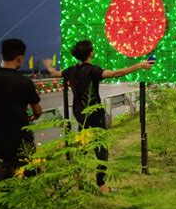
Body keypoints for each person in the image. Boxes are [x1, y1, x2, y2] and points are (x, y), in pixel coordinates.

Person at [43, 40, 154, 192]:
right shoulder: (93, 70)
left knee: (83, 147)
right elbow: (116, 73)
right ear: (90, 53)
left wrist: (48, 65)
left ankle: (77, 180)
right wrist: (139, 65)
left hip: (79, 114)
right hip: (94, 115)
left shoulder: (71, 71)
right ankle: (101, 185)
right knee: (101, 150)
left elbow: (55, 73)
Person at [0, 38, 43, 182]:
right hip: (23, 142)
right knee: (30, 180)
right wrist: (31, 116)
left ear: (2, 56)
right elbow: (37, 110)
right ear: (20, 59)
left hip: (0, 142)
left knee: (3, 183)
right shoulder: (25, 82)